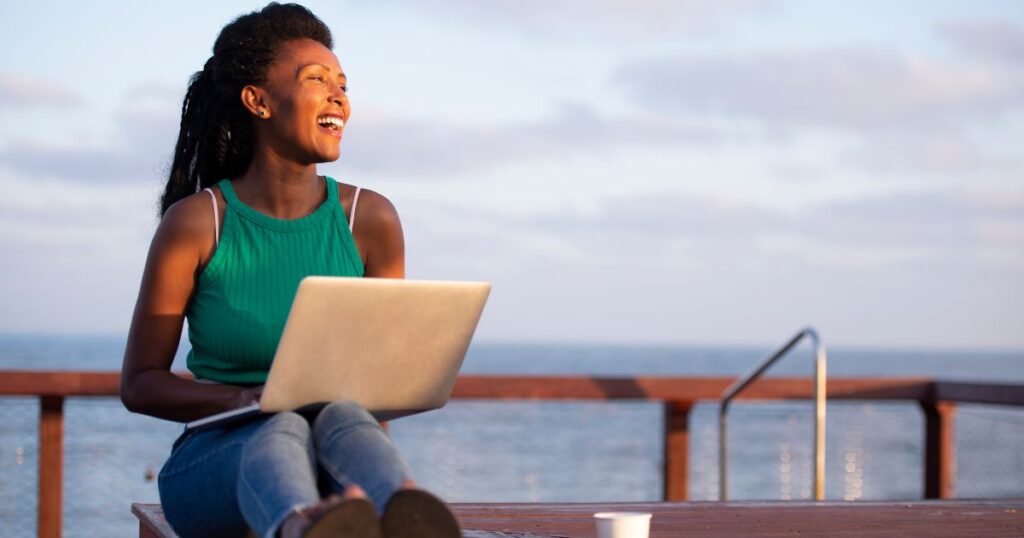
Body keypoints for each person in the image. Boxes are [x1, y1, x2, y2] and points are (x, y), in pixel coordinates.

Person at [119, 4, 460, 537]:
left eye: (343, 84)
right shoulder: (198, 222)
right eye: (316, 79)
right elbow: (140, 384)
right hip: (217, 460)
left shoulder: (369, 220)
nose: (338, 96)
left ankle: (403, 510)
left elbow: (376, 386)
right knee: (278, 422)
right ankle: (300, 528)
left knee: (346, 414)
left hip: (333, 460)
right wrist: (247, 400)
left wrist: (363, 452)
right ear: (257, 101)